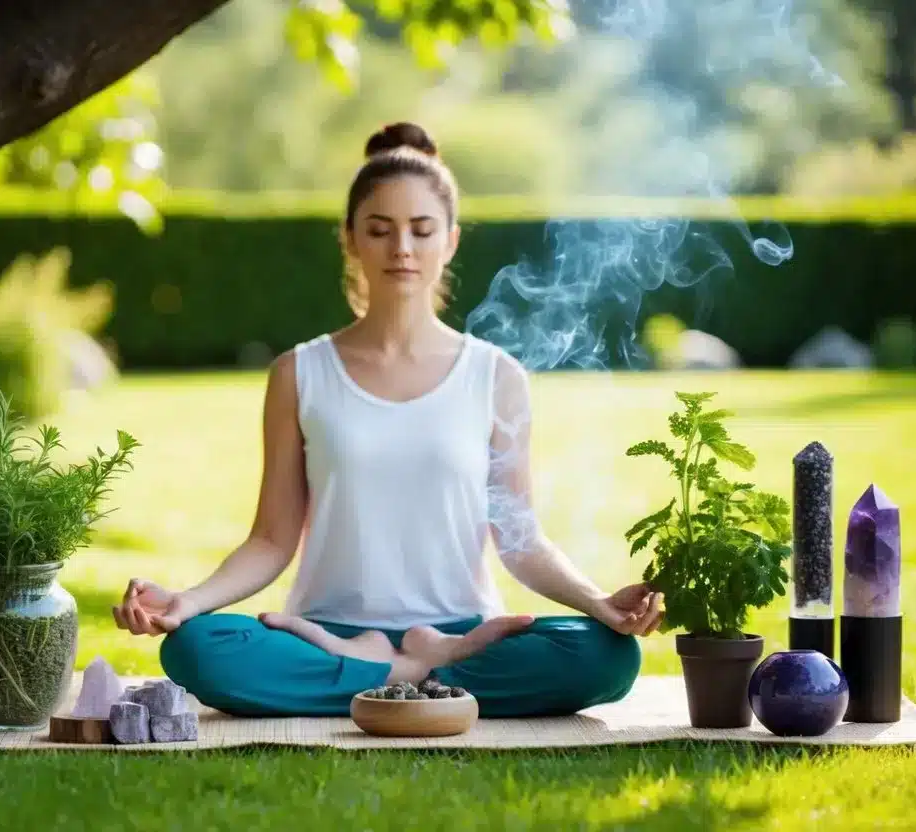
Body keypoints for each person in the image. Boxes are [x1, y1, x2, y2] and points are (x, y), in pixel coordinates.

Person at [112, 122, 663, 718]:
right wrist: (187, 603)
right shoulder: (299, 373)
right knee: (197, 649)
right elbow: (272, 538)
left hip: (464, 634)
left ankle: (392, 675)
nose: (402, 248)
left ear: (449, 241)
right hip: (326, 631)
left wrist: (597, 602)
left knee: (606, 657)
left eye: (421, 231)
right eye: (380, 230)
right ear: (350, 239)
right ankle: (417, 679)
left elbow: (520, 537)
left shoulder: (495, 376)